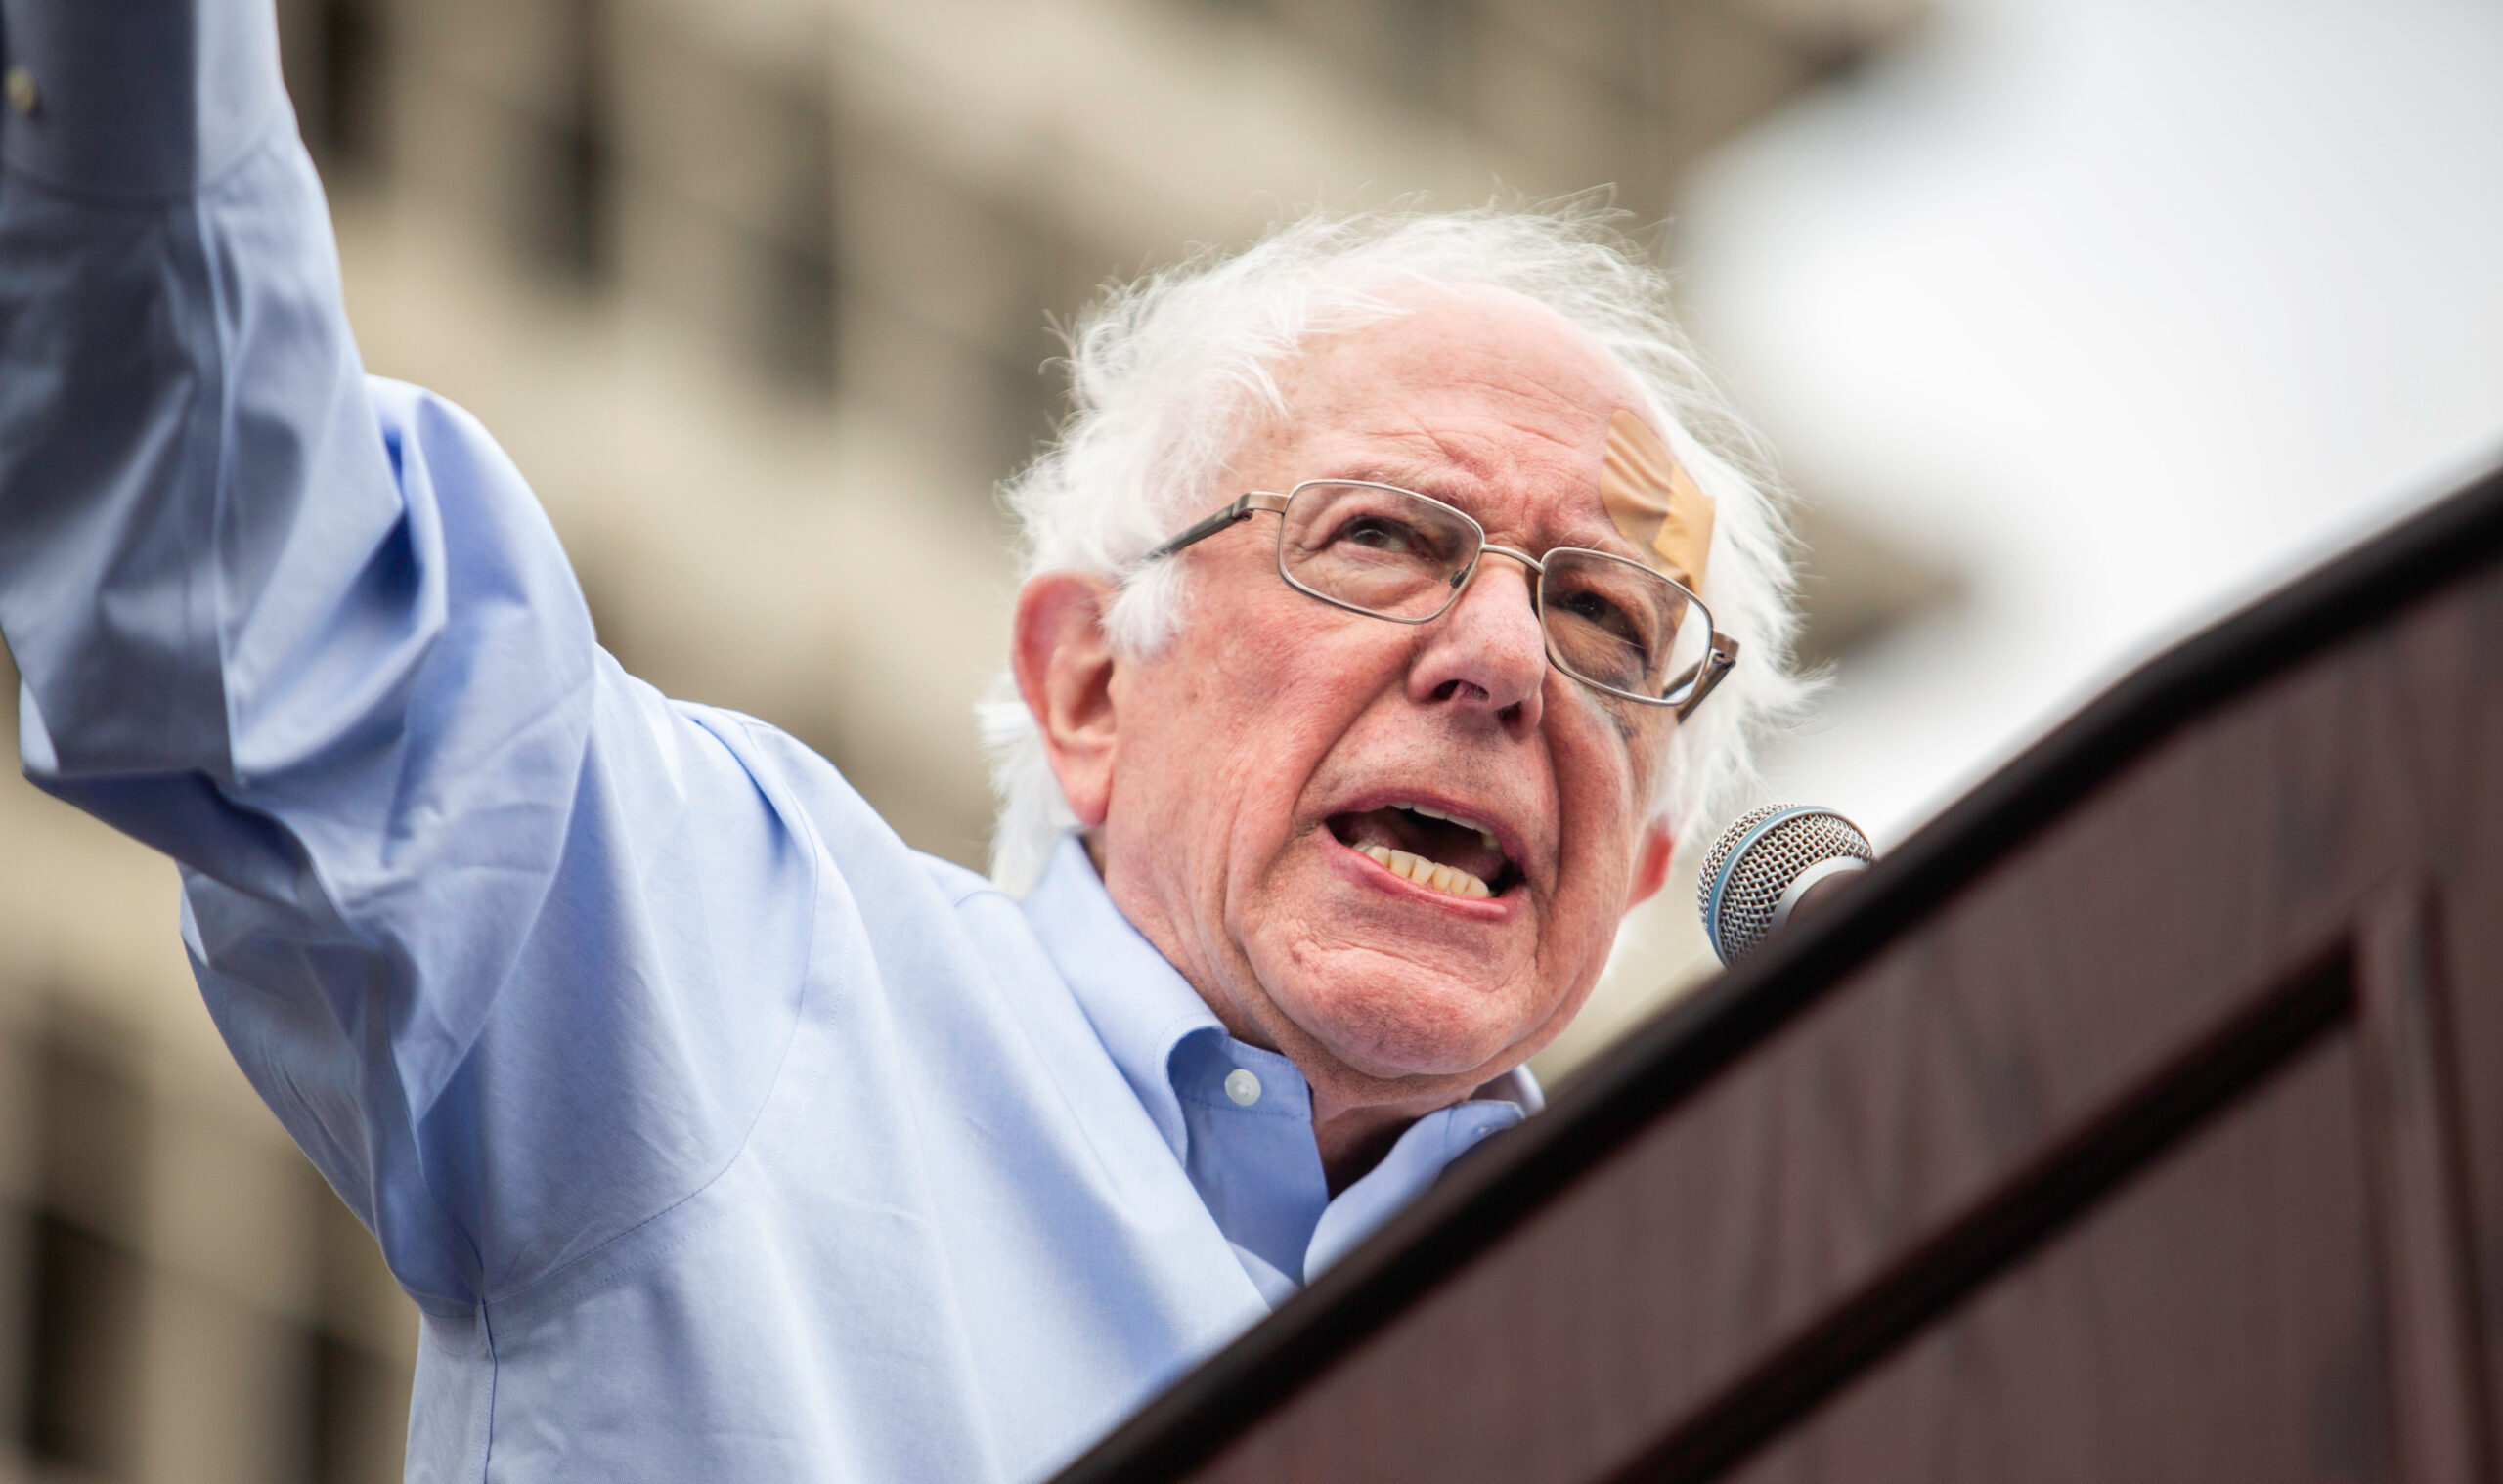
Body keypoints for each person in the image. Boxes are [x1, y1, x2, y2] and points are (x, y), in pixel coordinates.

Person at [0, 1, 1800, 1479]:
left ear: (1637, 872)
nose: (1501, 657)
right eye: (1385, 539)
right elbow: (233, 542)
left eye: (1604, 623)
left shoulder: (1751, 1335)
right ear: (1090, 682)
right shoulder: (718, 965)